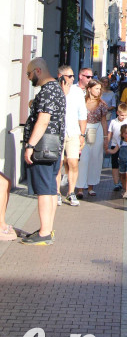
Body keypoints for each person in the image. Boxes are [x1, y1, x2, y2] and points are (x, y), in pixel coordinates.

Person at [22, 57, 66, 245]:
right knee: (49, 189)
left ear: (38, 71)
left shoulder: (47, 91)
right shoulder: (57, 88)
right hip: (54, 146)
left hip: (43, 147)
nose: (29, 78)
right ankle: (46, 228)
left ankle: (44, 232)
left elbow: (43, 120)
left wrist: (30, 145)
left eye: (29, 74)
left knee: (44, 190)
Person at [56, 65, 87, 206]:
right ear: (60, 76)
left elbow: (82, 114)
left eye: (73, 76)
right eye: (69, 76)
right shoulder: (55, 90)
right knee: (58, 163)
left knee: (73, 162)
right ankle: (56, 192)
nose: (72, 78)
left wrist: (82, 133)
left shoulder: (77, 92)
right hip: (57, 132)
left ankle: (71, 192)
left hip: (73, 131)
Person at [76, 79, 109, 198]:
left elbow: (104, 121)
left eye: (100, 89)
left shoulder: (102, 104)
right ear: (89, 89)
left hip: (97, 129)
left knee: (95, 158)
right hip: (84, 129)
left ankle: (91, 186)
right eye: (96, 88)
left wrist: (106, 137)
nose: (99, 91)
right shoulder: (82, 101)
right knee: (83, 158)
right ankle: (80, 187)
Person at [105, 102, 127, 199]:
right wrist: (107, 143)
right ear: (118, 113)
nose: (123, 117)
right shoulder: (113, 122)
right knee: (115, 164)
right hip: (115, 144)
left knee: (124, 165)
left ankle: (125, 187)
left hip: (125, 145)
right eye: (122, 115)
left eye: (125, 115)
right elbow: (110, 133)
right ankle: (116, 183)